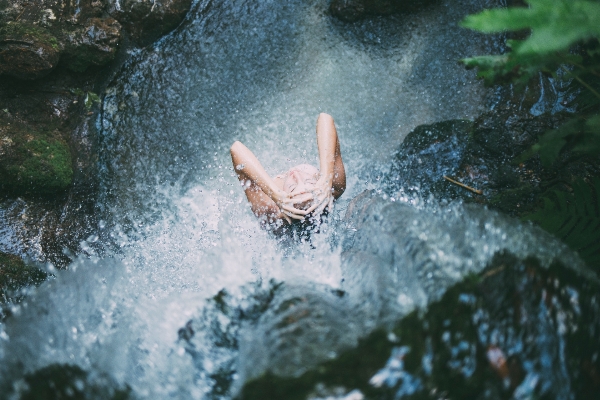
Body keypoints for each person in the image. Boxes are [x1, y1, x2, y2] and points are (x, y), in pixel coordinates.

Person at [230, 113, 346, 228]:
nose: (296, 175)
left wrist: (274, 194)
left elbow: (236, 148)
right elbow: (325, 118)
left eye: (292, 187)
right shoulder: (333, 187)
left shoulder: (270, 210)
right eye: (309, 182)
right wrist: (326, 177)